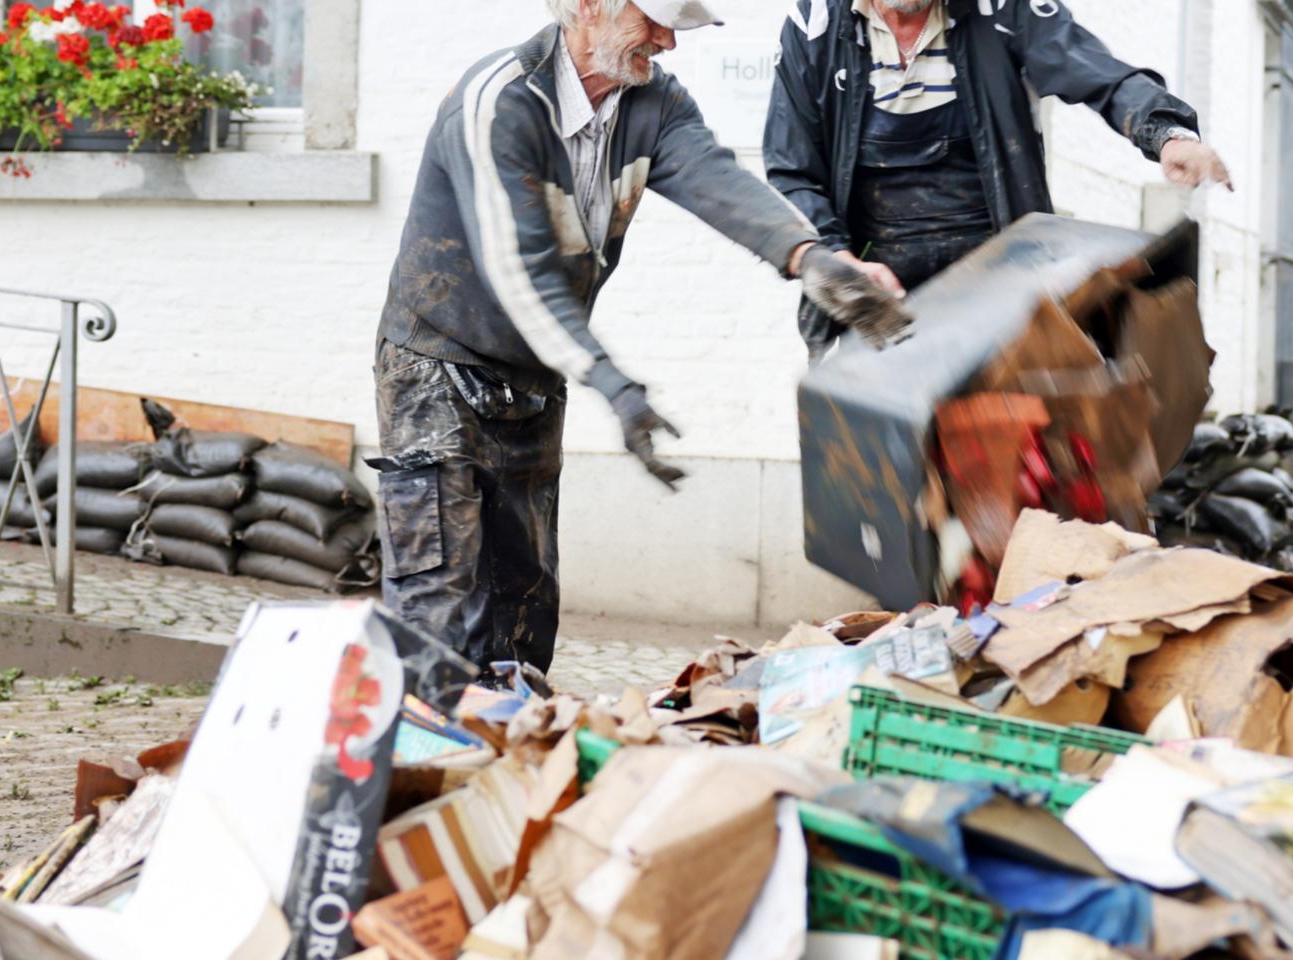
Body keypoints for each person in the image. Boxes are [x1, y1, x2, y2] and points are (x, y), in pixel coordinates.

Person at [371, 0, 907, 674]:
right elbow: (520, 272)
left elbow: (718, 181)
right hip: (437, 365)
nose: (666, 41)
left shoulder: (652, 100)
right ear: (587, 6)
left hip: (536, 370)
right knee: (437, 601)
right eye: (652, 19)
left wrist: (813, 260)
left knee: (522, 604)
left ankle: (515, 765)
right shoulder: (498, 102)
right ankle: (419, 762)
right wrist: (612, 383)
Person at [767, 0, 1232, 359]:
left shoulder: (1003, 8)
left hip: (997, 272)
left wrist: (1166, 134)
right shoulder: (814, 26)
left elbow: (1095, 71)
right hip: (874, 280)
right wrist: (836, 259)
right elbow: (792, 167)